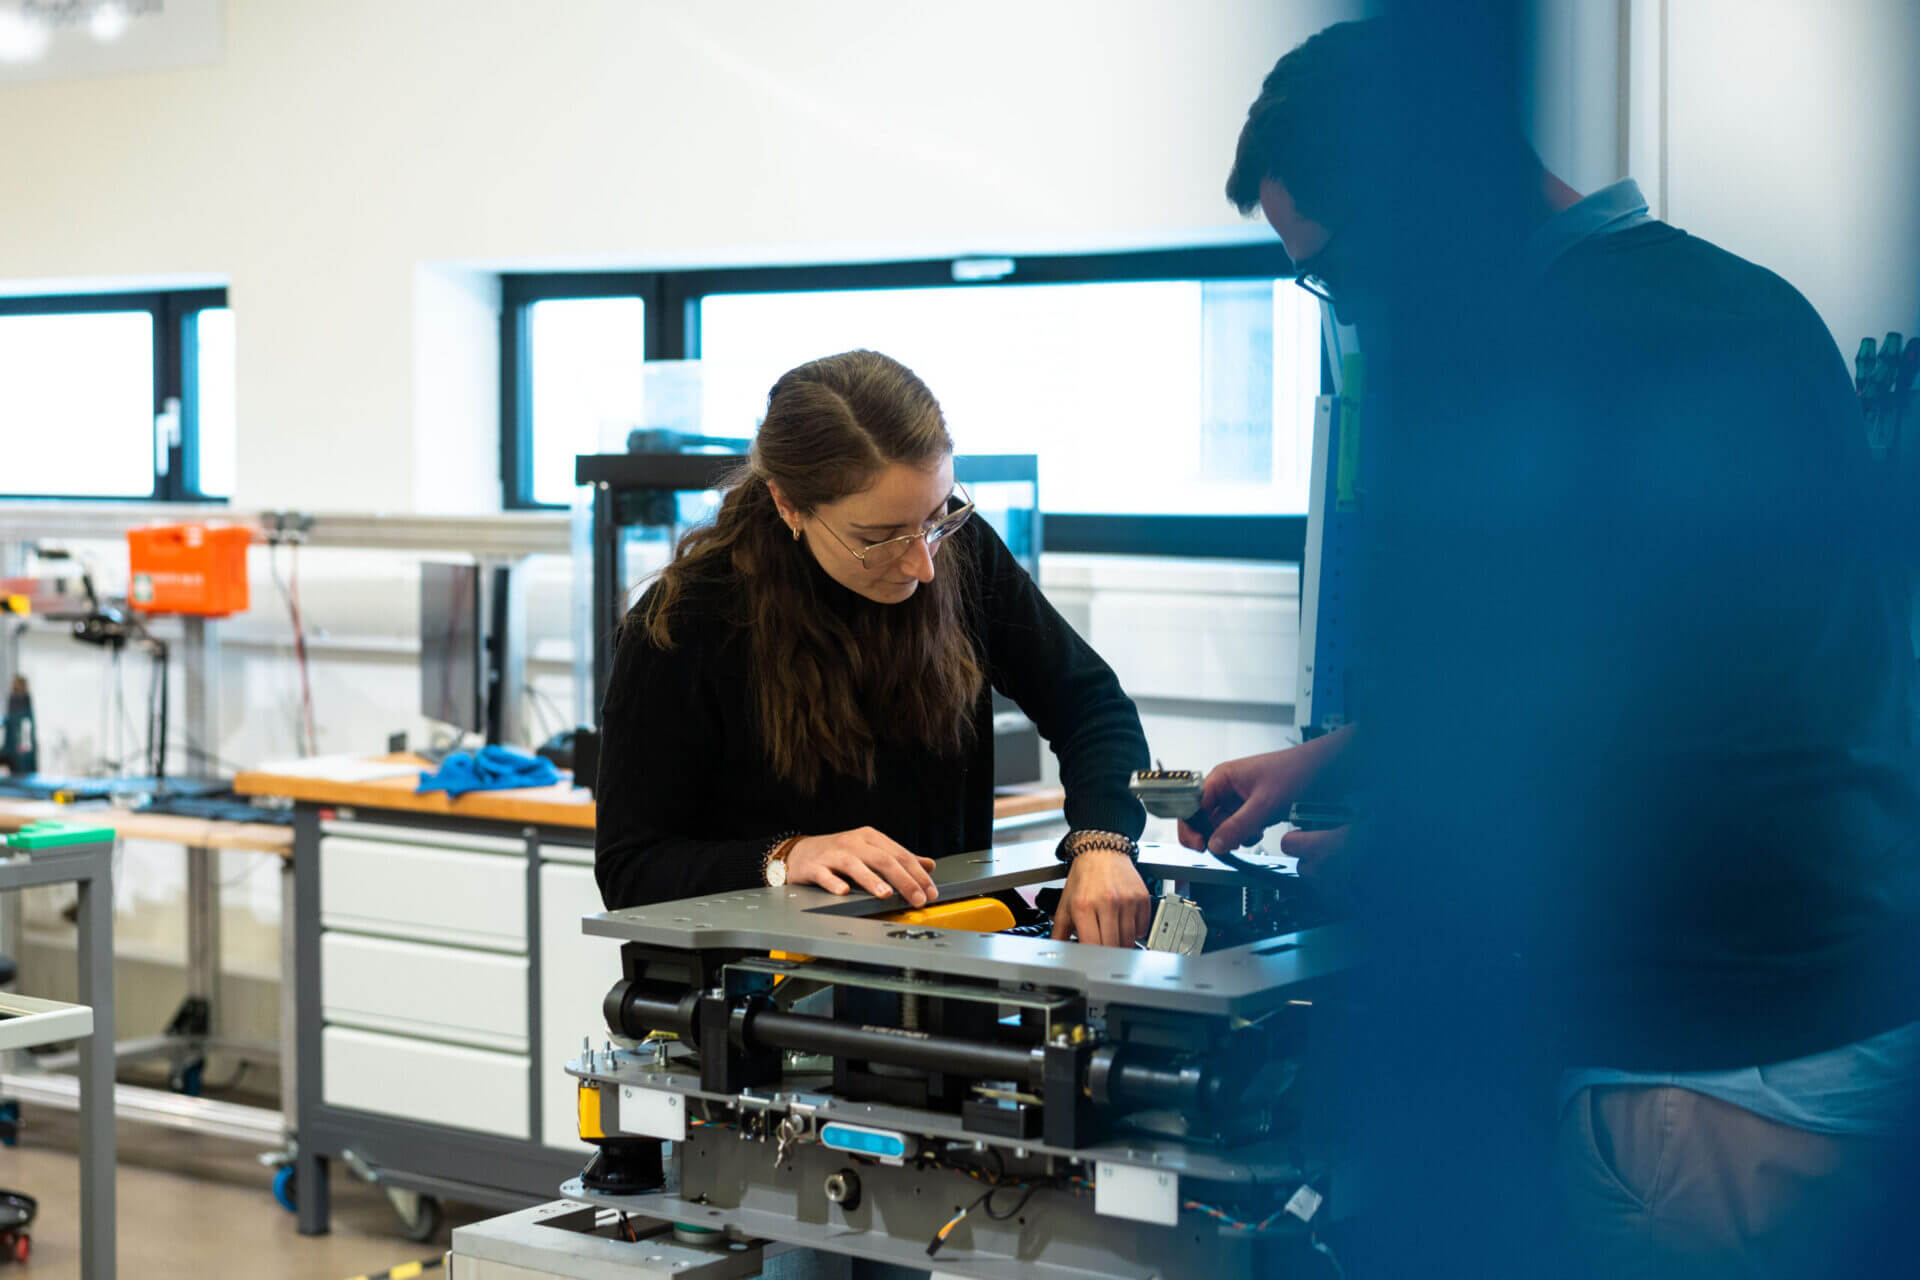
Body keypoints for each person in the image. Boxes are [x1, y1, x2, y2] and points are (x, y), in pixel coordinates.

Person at [1200, 17, 1920, 1278]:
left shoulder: (1559, 372)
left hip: (1703, 1077)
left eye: (1342, 272)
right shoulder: (1739, 303)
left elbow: (1630, 754)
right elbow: (1649, 670)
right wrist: (1334, 758)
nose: (1355, 313)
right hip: (1838, 1021)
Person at [594, 349, 1155, 948]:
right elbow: (633, 867)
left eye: (938, 517)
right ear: (789, 505)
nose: (923, 564)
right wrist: (786, 858)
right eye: (879, 538)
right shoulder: (685, 624)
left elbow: (1090, 705)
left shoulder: (960, 554)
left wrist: (1103, 841)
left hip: (950, 965)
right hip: (773, 995)